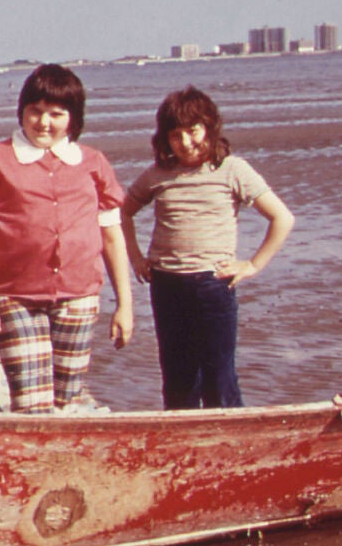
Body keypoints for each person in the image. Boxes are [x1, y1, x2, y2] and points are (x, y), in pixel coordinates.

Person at [0, 63, 135, 414]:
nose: (43, 122)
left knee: (67, 399)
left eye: (56, 113)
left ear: (74, 118)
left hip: (80, 297)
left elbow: (112, 238)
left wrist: (125, 306)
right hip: (14, 296)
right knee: (31, 405)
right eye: (35, 112)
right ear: (21, 111)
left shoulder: (93, 162)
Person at [120, 85, 294, 409]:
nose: (185, 142)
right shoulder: (157, 175)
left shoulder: (232, 170)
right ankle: (184, 444)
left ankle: (231, 442)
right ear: (164, 139)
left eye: (192, 130)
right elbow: (124, 212)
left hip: (213, 285)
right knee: (177, 376)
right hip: (166, 285)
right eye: (175, 134)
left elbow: (282, 218)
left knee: (219, 376)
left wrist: (252, 265)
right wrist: (135, 258)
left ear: (210, 127)